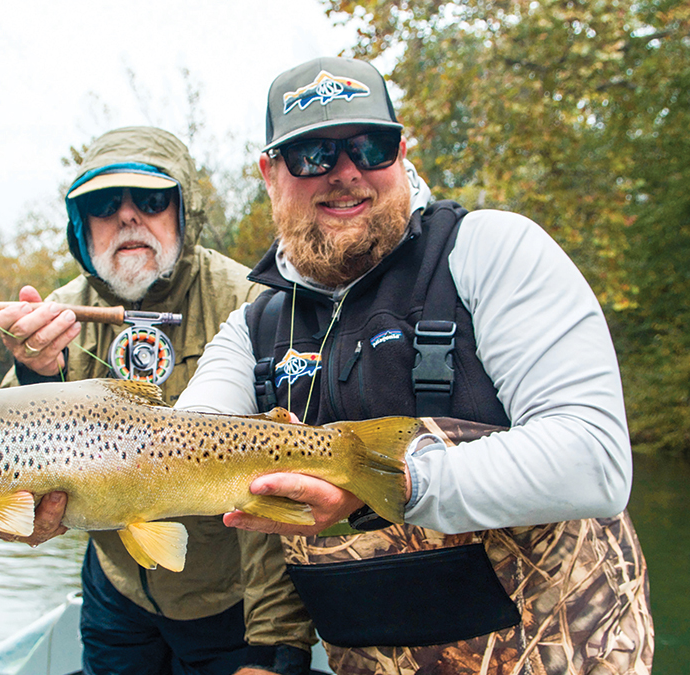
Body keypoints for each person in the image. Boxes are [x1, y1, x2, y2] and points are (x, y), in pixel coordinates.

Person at [174, 57, 654, 674]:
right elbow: (179, 446)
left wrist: (386, 484)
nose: (344, 174)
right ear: (270, 173)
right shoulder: (251, 328)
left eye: (368, 147)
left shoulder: (493, 251)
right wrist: (60, 490)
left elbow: (596, 459)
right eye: (312, 155)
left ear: (401, 152)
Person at [0, 126, 313, 675]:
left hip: (233, 600)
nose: (128, 216)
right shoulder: (57, 315)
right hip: (117, 592)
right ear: (81, 225)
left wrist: (274, 647)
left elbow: (282, 483)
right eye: (103, 203)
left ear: (183, 210)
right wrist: (32, 370)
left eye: (152, 199)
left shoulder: (253, 302)